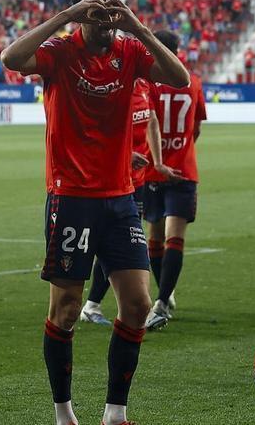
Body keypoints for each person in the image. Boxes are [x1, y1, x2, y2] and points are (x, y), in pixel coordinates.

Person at [0, 0, 190, 425]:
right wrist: (66, 17)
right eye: (98, 12)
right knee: (65, 309)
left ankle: (114, 413)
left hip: (121, 196)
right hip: (71, 198)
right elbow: (11, 57)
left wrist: (137, 26)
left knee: (139, 304)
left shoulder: (130, 50)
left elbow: (179, 78)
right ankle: (64, 413)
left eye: (113, 9)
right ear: (82, 13)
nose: (106, 21)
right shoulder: (61, 52)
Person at [80, 78, 174, 326]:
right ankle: (95, 306)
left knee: (128, 240)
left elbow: (152, 121)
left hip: (138, 180)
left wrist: (158, 161)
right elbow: (92, 132)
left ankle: (98, 306)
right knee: (119, 241)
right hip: (113, 180)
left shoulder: (144, 86)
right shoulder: (109, 89)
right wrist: (123, 155)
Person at [143, 29, 207, 330]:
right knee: (174, 239)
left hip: (152, 170)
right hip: (183, 169)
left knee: (155, 238)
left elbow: (143, 124)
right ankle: (163, 297)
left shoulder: (147, 83)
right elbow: (196, 129)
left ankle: (164, 297)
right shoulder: (192, 82)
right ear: (178, 52)